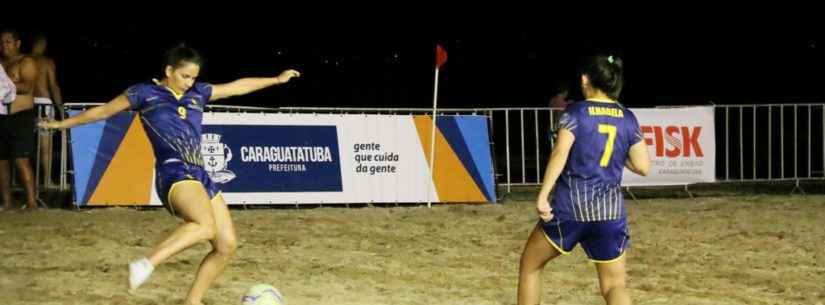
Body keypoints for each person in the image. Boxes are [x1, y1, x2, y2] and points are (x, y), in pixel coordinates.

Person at [40, 45, 301, 305]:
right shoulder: (144, 93)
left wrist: (276, 80)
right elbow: (103, 111)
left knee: (226, 246)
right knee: (204, 225)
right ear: (169, 70)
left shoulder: (199, 93)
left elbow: (236, 86)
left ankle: (193, 301)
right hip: (173, 170)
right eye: (185, 76)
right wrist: (61, 124)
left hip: (201, 174)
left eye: (194, 77)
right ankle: (146, 263)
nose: (190, 82)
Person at [517, 54, 651, 305]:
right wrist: (618, 155)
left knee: (530, 266)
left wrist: (543, 195)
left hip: (571, 209)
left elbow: (560, 153)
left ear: (585, 79)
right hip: (610, 213)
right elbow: (644, 167)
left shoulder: (576, 112)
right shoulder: (627, 117)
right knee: (615, 285)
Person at [1, 29, 39, 211]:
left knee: (20, 159)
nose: (4, 45)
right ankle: (7, 202)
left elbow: (27, 86)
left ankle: (32, 202)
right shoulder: (1, 64)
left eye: (8, 42)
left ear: (18, 44)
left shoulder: (26, 61)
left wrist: (7, 84)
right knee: (1, 161)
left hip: (21, 116)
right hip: (2, 116)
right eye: (1, 42)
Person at [31, 33, 63, 189]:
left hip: (27, 104)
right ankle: (46, 180)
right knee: (46, 146)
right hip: (44, 104)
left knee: (25, 144)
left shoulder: (23, 61)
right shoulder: (46, 62)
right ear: (42, 44)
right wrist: (60, 107)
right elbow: (54, 86)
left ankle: (25, 180)